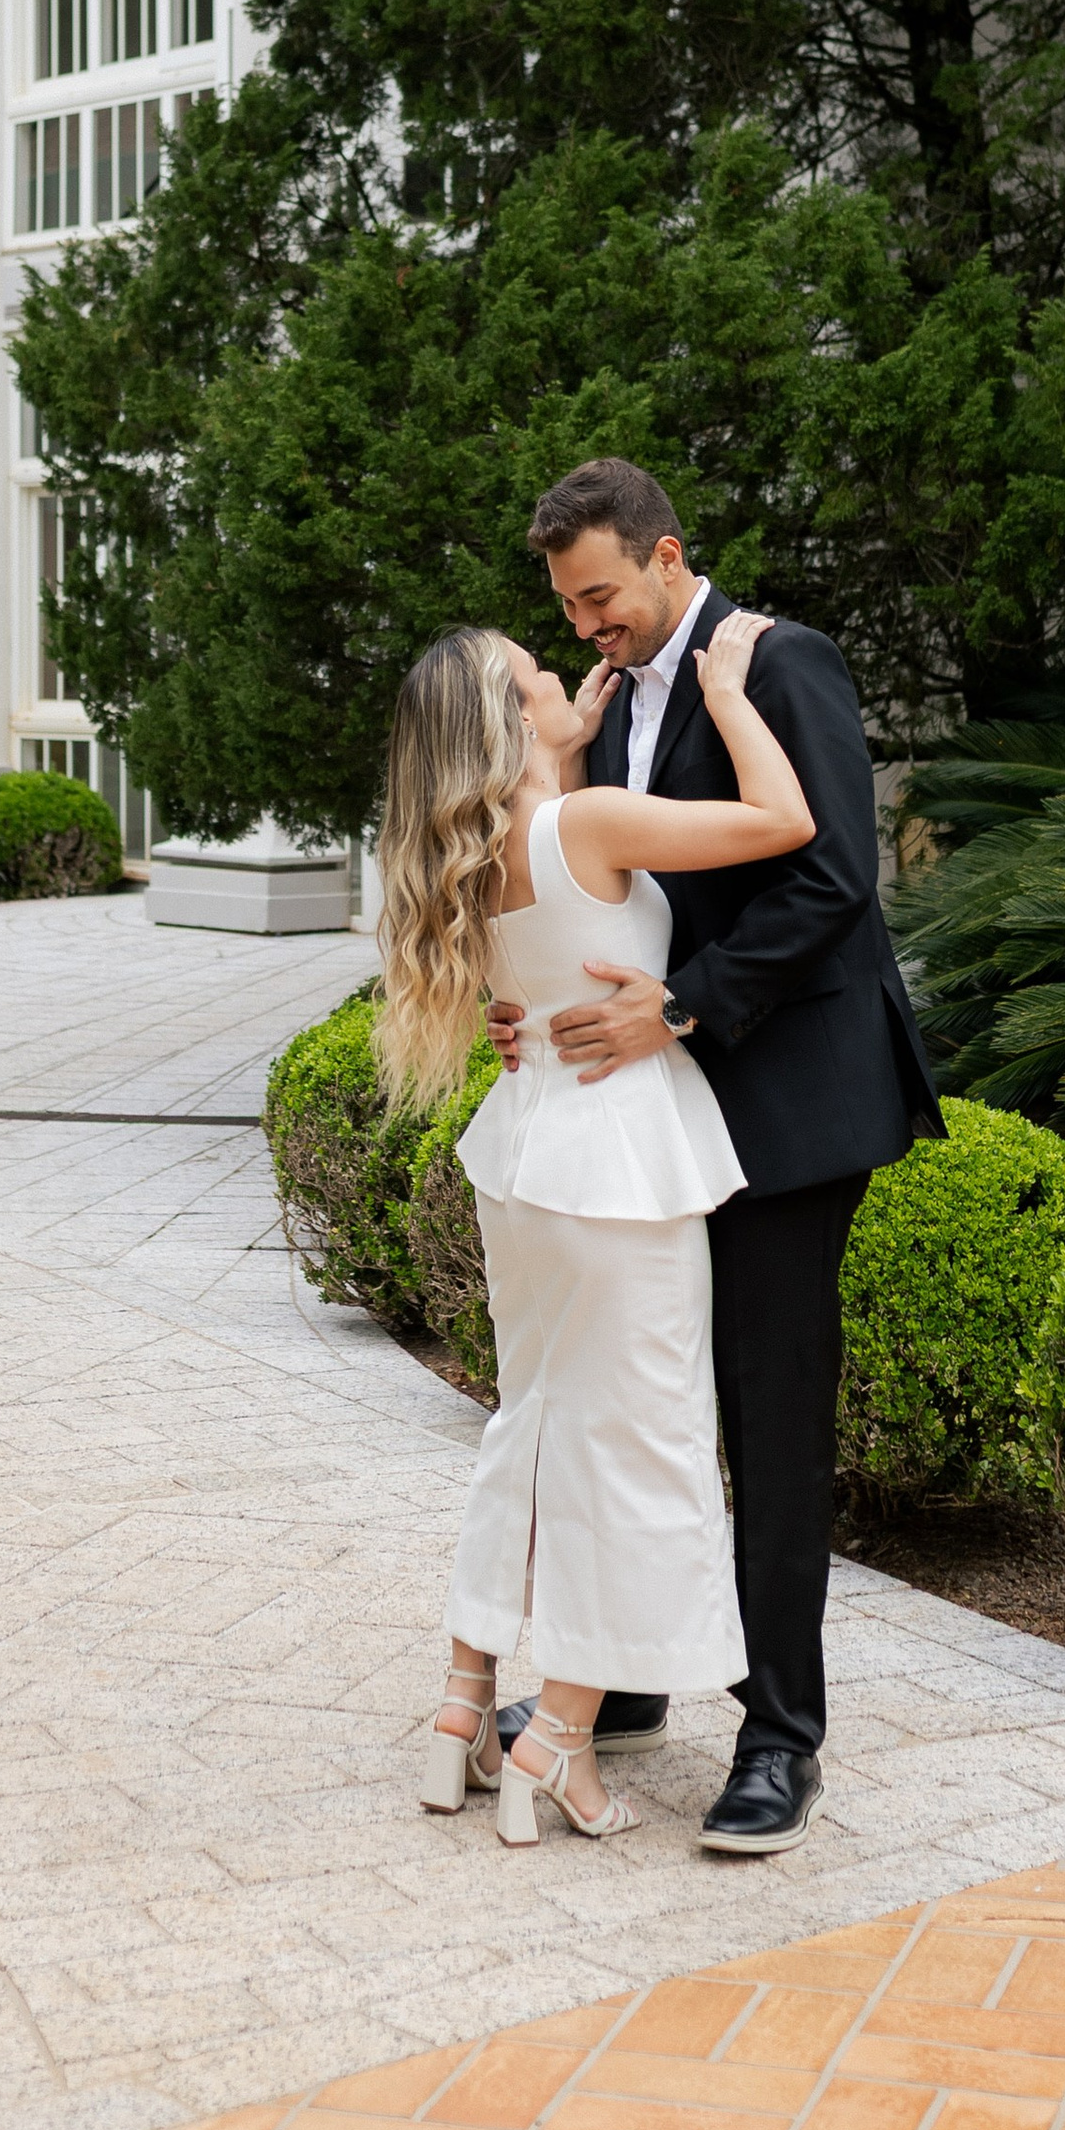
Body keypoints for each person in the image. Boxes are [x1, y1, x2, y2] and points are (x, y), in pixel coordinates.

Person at [492, 459, 943, 1858]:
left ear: (669, 554)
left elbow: (833, 875)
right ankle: (624, 1678)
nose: (587, 627)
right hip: (659, 1109)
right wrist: (541, 991)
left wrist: (680, 1008)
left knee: (769, 1415)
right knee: (650, 1394)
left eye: (603, 597)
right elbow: (605, 883)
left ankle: (780, 1737)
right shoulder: (610, 697)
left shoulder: (781, 661)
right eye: (567, 607)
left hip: (789, 1103)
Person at [376, 610, 816, 1843]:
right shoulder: (588, 824)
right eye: (536, 672)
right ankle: (557, 1739)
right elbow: (786, 824)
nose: (563, 673)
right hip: (618, 1167)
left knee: (532, 1429)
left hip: (525, 1160)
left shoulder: (473, 857)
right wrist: (729, 696)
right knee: (645, 1446)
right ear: (514, 718)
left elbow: (513, 996)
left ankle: (463, 1706)